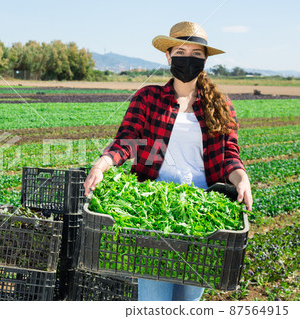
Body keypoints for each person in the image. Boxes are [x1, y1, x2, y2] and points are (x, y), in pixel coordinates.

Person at [83, 21, 253, 301]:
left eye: (196, 54)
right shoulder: (149, 98)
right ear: (168, 55)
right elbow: (127, 139)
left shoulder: (219, 104)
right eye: (182, 51)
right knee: (153, 300)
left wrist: (241, 178)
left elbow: (229, 155)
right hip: (154, 214)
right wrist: (102, 165)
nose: (188, 59)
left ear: (205, 60)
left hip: (202, 216)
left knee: (188, 301)